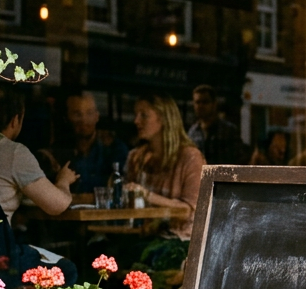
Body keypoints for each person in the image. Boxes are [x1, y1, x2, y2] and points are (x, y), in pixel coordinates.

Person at [0, 85, 80, 282]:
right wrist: (64, 180)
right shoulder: (14, 152)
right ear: (16, 119)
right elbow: (57, 205)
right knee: (66, 269)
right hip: (1, 254)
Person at [125, 94, 207, 241]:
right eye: (136, 115)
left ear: (164, 118)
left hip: (180, 239)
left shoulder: (190, 157)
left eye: (144, 115)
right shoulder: (137, 157)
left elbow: (188, 210)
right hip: (143, 235)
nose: (136, 121)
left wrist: (147, 195)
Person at [57, 92, 128, 194]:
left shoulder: (115, 148)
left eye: (89, 113)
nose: (84, 120)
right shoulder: (59, 150)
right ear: (67, 118)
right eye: (77, 114)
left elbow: (119, 186)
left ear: (97, 116)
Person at [187, 85, 249, 165]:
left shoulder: (228, 130)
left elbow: (239, 160)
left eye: (205, 102)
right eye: (197, 102)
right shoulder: (192, 133)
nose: (200, 106)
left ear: (214, 104)